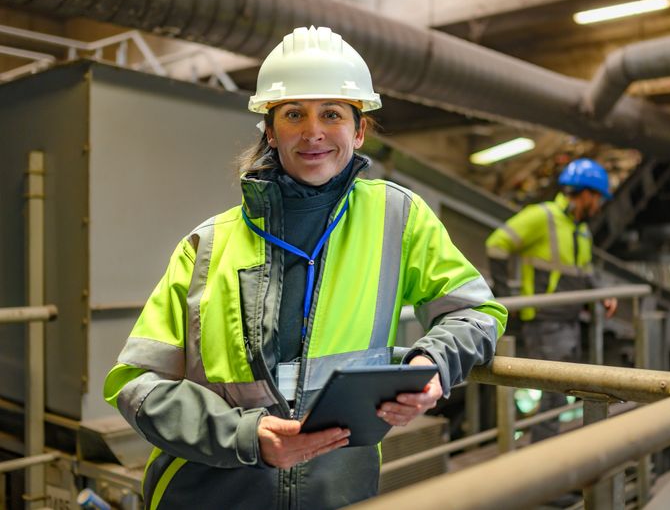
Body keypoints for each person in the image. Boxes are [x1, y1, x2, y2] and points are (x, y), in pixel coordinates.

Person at [103, 26, 506, 509]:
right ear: (271, 131)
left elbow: (476, 313)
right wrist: (246, 435)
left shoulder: (397, 218)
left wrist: (432, 363)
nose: (313, 132)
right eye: (294, 114)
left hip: (337, 490)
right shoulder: (208, 245)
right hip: (209, 492)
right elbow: (136, 384)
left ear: (359, 130)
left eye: (332, 113)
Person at [485, 158, 616, 441]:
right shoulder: (542, 216)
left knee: (561, 392)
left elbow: (585, 270)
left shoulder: (581, 229)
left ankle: (550, 450)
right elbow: (496, 244)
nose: (599, 206)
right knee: (553, 394)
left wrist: (603, 294)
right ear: (586, 194)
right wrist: (504, 295)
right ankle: (545, 455)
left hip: (569, 320)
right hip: (544, 322)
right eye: (598, 198)